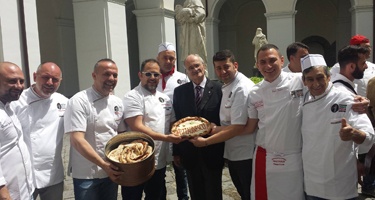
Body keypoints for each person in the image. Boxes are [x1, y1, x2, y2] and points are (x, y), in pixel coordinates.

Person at [300, 54, 374, 199]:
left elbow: (369, 136)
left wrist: (353, 133)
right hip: (312, 183)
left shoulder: (345, 99)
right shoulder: (302, 100)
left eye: (320, 77)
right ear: (304, 81)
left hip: (340, 183)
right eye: (310, 79)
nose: (316, 83)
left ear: (329, 77)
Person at [191, 50, 256, 200]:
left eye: (226, 67)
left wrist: (207, 139)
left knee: (249, 194)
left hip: (245, 154)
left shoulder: (241, 88)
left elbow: (238, 127)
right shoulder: (228, 85)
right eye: (218, 68)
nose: (223, 71)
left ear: (235, 65)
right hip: (234, 152)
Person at [121, 59, 184, 200]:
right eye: (148, 74)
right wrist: (167, 138)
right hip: (136, 162)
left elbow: (173, 124)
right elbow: (137, 126)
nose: (152, 78)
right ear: (140, 75)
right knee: (133, 196)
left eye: (156, 74)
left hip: (159, 160)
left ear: (160, 76)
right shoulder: (133, 96)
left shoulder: (165, 99)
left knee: (156, 195)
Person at [64, 58, 125, 200]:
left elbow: (121, 135)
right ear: (94, 75)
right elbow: (77, 140)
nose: (111, 79)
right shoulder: (79, 101)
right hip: (86, 174)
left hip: (111, 171)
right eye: (106, 74)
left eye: (115, 75)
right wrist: (104, 164)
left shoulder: (117, 102)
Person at [11, 62, 68, 200]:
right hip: (22, 174)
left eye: (55, 79)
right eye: (45, 77)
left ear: (60, 81)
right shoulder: (17, 102)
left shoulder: (64, 102)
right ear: (35, 76)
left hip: (52, 174)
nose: (50, 82)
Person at [173, 54, 224, 200]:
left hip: (213, 151)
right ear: (186, 72)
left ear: (204, 66)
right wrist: (177, 151)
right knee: (196, 193)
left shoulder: (219, 89)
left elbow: (224, 120)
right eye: (190, 67)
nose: (195, 69)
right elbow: (178, 121)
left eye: (197, 65)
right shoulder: (179, 92)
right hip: (189, 152)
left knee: (214, 192)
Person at [156, 42, 190, 200]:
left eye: (171, 58)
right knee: (159, 171)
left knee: (181, 171)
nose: (168, 61)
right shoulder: (152, 77)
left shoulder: (182, 78)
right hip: (158, 131)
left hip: (177, 130)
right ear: (158, 58)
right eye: (165, 58)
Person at [0, 62, 34, 199]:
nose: (19, 86)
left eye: (21, 81)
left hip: (24, 192)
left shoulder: (9, 107)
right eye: (12, 81)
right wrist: (3, 194)